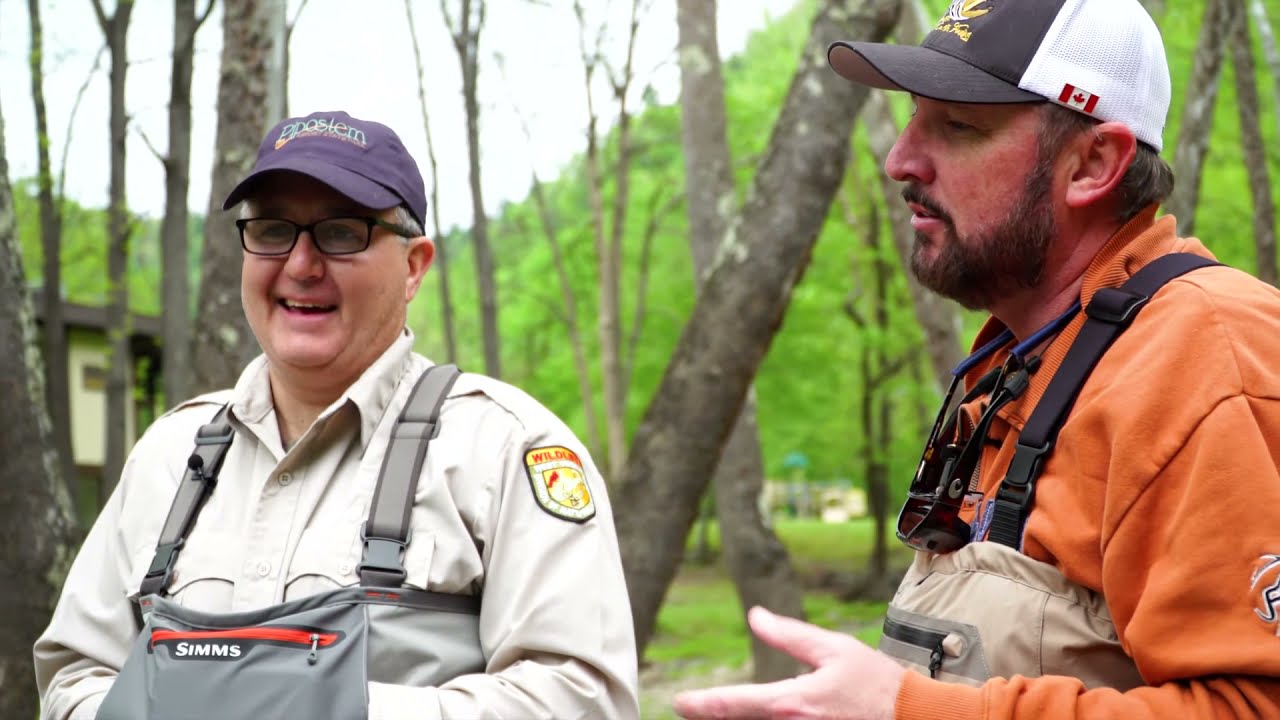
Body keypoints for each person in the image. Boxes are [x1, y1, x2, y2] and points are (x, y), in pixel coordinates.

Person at [675, 0, 1280, 718]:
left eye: (957, 125)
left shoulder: (1204, 357)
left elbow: (1253, 704)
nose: (901, 160)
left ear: (1092, 164)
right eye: (911, 118)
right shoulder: (1023, 359)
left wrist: (903, 709)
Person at [34, 110, 639, 720]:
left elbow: (584, 699)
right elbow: (74, 674)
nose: (301, 265)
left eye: (342, 232)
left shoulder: (502, 448)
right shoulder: (168, 457)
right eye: (272, 230)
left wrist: (322, 709)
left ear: (413, 266)